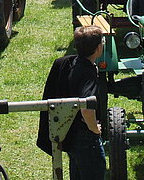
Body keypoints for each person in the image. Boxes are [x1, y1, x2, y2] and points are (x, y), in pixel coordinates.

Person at [36, 26, 104, 179]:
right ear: (98, 48)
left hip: (69, 133)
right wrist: (95, 129)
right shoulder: (88, 73)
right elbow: (87, 108)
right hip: (85, 137)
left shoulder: (69, 63)